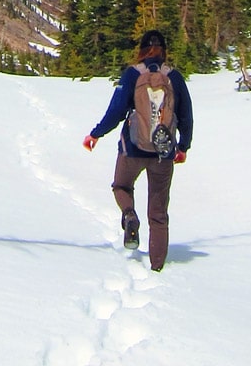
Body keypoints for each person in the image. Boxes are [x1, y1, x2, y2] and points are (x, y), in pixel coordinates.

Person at [83, 30, 194, 271]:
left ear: (142, 50)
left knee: (121, 186)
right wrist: (183, 146)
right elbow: (186, 116)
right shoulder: (174, 77)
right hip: (163, 154)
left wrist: (96, 134)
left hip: (132, 149)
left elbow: (116, 112)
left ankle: (129, 214)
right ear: (164, 50)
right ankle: (157, 267)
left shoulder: (132, 74)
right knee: (158, 212)